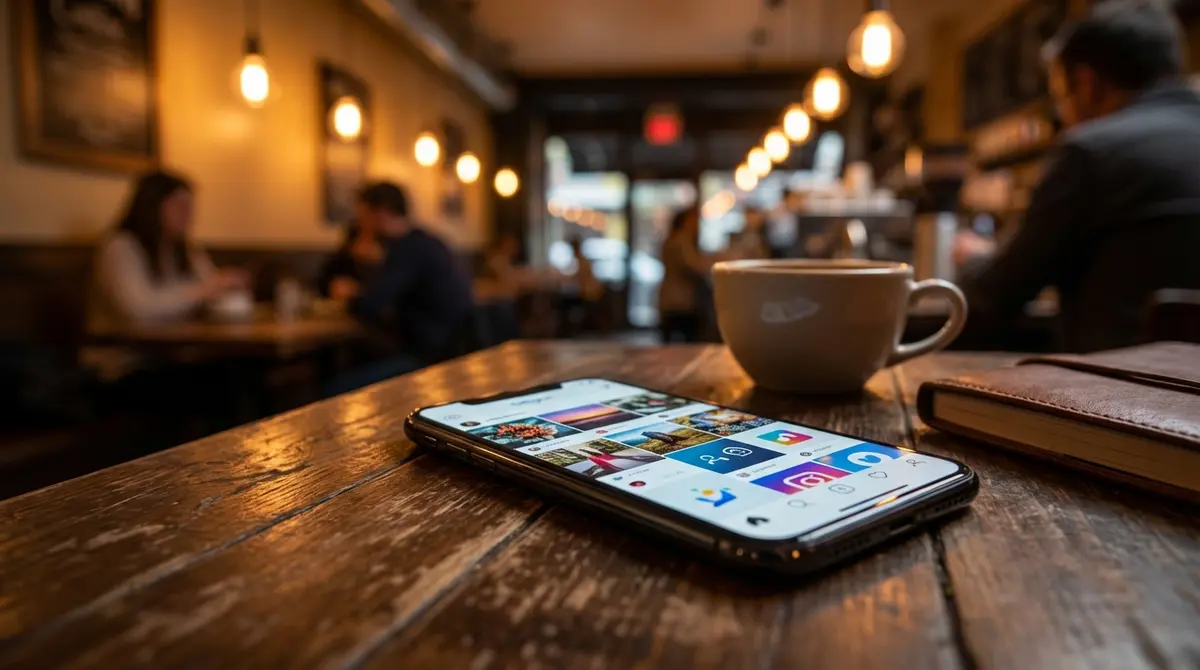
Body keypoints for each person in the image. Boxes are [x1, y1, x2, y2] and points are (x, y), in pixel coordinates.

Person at [954, 0, 1200, 352]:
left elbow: (996, 293)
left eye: (1060, 98)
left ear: (1086, 84)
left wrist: (973, 258)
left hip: (1117, 381)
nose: (1064, 115)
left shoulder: (1091, 152)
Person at [325, 181, 476, 394]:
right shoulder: (425, 242)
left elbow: (370, 307)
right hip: (450, 352)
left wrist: (348, 294)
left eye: (363, 215)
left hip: (431, 359)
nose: (359, 222)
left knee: (336, 388)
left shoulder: (409, 249)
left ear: (381, 213)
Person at [91, 170, 247, 330]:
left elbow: (211, 286)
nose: (188, 214)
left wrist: (227, 285)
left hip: (179, 338)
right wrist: (203, 290)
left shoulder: (185, 248)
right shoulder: (121, 246)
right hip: (128, 342)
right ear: (152, 207)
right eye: (179, 206)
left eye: (190, 206)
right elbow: (138, 307)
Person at [659, 207, 726, 343]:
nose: (697, 224)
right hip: (680, 300)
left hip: (671, 298)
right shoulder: (681, 240)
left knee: (670, 340)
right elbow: (693, 265)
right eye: (694, 220)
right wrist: (717, 265)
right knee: (687, 340)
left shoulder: (673, 239)